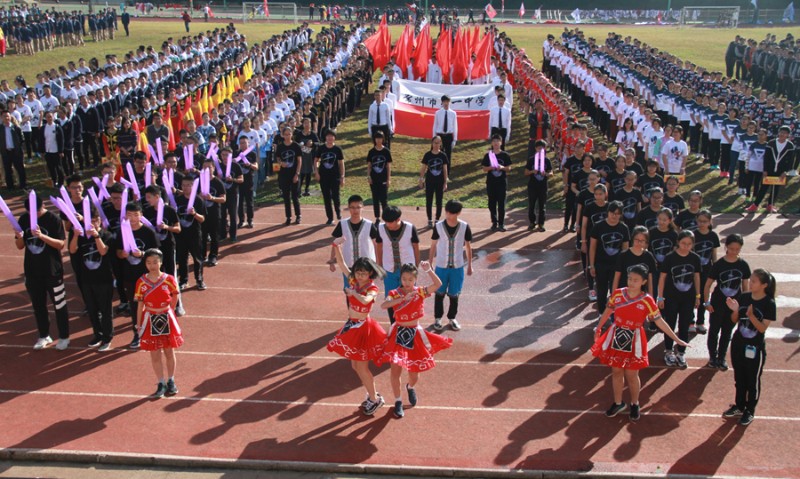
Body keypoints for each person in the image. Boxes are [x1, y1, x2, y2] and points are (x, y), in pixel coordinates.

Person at [592, 265, 688, 421]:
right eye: (630, 278)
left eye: (635, 280)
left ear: (643, 281)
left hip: (635, 337)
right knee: (616, 371)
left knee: (631, 373)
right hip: (617, 334)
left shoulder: (647, 300)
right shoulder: (617, 294)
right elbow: (608, 311)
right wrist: (599, 327)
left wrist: (676, 339)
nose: (631, 282)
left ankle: (635, 403)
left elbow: (659, 321)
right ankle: (618, 402)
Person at [378, 262, 452, 418]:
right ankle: (398, 401)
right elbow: (384, 305)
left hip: (415, 334)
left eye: (410, 279)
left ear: (415, 280)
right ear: (401, 279)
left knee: (414, 373)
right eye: (404, 279)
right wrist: (403, 298)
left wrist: (429, 270)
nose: (407, 282)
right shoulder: (395, 292)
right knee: (395, 370)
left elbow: (438, 284)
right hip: (398, 334)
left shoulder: (420, 292)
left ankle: (410, 387)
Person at [327, 237, 387, 416]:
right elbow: (342, 264)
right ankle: (372, 395)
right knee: (355, 366)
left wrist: (353, 293)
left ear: (370, 274)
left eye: (363, 273)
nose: (360, 276)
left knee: (362, 367)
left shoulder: (372, 288)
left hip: (363, 329)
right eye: (358, 272)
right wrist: (336, 246)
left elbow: (367, 300)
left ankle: (375, 398)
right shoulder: (354, 282)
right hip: (352, 326)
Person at [723, 268, 776, 426]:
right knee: (739, 377)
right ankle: (739, 405)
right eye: (750, 280)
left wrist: (751, 316)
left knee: (752, 380)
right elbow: (735, 320)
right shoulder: (745, 297)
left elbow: (762, 328)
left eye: (754, 281)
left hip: (754, 347)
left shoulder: (769, 303)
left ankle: (750, 410)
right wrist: (735, 310)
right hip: (739, 343)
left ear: (764, 285)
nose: (750, 283)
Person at [16, 192, 69, 350]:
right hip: (32, 270)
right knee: (38, 305)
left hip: (52, 270)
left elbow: (60, 244)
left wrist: (41, 236)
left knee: (59, 304)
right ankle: (44, 335)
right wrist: (19, 237)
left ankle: (64, 336)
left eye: (37, 212)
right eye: (31, 213)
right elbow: (20, 246)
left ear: (43, 206)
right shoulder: (24, 219)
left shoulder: (53, 219)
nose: (34, 215)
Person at [134, 248, 183, 398]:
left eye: (155, 262)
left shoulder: (168, 279)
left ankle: (171, 380)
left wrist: (170, 312)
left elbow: (175, 296)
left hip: (165, 317)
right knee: (154, 354)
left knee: (169, 351)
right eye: (149, 262)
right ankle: (160, 382)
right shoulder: (141, 282)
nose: (152, 265)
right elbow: (140, 305)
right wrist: (139, 324)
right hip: (150, 317)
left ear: (161, 262)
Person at [69, 205, 114, 351]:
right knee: (92, 309)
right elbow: (72, 249)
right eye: (91, 221)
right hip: (87, 279)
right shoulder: (82, 236)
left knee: (105, 310)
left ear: (100, 221)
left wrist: (96, 236)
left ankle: (107, 337)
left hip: (103, 279)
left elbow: (103, 251)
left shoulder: (107, 235)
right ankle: (98, 334)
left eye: (96, 220)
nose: (94, 223)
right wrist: (76, 235)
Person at [703, 233, 750, 371]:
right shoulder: (718, 264)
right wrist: (707, 302)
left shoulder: (743, 265)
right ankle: (712, 357)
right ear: (726, 247)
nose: (734, 251)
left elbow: (745, 287)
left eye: (737, 249)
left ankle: (721, 357)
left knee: (727, 332)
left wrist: (742, 306)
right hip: (717, 303)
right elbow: (707, 285)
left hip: (734, 305)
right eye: (731, 248)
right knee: (714, 331)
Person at [657, 230, 701, 369]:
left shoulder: (695, 258)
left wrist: (698, 296)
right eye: (683, 243)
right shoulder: (670, 257)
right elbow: (662, 277)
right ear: (678, 242)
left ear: (693, 244)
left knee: (684, 325)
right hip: (671, 297)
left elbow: (697, 277)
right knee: (670, 324)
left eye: (689, 244)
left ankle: (681, 352)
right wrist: (660, 297)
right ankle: (669, 351)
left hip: (688, 298)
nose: (685, 246)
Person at [429, 200, 473, 332]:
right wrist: (430, 262)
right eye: (447, 212)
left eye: (452, 213)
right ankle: (437, 318)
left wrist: (470, 265)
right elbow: (433, 245)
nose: (449, 215)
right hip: (441, 266)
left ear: (458, 213)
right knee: (439, 293)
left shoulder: (465, 226)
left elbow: (468, 247)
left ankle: (452, 318)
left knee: (454, 294)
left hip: (457, 266)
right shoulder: (438, 226)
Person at [376, 206, 420, 324]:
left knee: (409, 296)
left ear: (398, 219)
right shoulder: (380, 228)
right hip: (389, 268)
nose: (388, 225)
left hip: (407, 269)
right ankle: (394, 324)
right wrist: (379, 264)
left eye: (390, 222)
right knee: (391, 298)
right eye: (386, 222)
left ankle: (408, 323)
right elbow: (379, 246)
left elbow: (416, 246)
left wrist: (417, 265)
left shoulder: (410, 228)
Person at [589, 201, 630, 315]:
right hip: (601, 264)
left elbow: (625, 249)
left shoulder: (623, 228)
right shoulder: (598, 226)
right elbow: (592, 247)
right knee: (601, 291)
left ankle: (615, 314)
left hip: (616, 266)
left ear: (621, 214)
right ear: (608, 212)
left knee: (616, 291)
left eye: (617, 213)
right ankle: (601, 314)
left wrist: (624, 267)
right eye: (612, 212)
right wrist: (591, 265)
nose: (614, 216)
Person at [175, 175, 207, 291]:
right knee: (182, 258)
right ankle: (183, 280)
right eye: (183, 185)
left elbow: (202, 219)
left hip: (194, 233)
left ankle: (199, 279)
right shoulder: (178, 200)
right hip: (181, 234)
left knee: (197, 258)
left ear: (193, 186)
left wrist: (194, 214)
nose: (185, 187)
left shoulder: (198, 200)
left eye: (188, 185)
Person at [481, 134, 512, 232]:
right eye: (494, 141)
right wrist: (491, 167)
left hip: (501, 182)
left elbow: (509, 168)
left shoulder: (505, 155)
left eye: (497, 141)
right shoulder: (488, 155)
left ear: (501, 143)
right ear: (491, 143)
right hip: (491, 182)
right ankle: (494, 222)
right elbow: (484, 169)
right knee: (491, 203)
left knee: (501, 203)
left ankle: (501, 223)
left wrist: (502, 167)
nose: (496, 143)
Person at [315, 129, 345, 225]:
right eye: (328, 136)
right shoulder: (321, 148)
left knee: (336, 196)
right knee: (326, 197)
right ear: (325, 137)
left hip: (335, 176)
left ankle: (338, 211)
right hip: (323, 176)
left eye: (331, 136)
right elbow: (315, 160)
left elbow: (341, 164)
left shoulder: (337, 149)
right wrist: (316, 172)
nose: (329, 138)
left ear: (334, 138)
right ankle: (330, 217)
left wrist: (342, 176)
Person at [275, 126, 303, 225]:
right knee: (286, 197)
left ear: (292, 134)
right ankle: (288, 217)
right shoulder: (280, 146)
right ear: (283, 135)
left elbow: (299, 160)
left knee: (295, 196)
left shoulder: (296, 146)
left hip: (294, 174)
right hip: (283, 174)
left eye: (289, 134)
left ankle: (298, 215)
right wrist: (280, 162)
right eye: (285, 134)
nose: (287, 136)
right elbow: (277, 158)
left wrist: (297, 174)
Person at [419, 136, 449, 228]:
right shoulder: (428, 155)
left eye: (438, 143)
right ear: (432, 143)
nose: (436, 145)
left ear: (441, 144)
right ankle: (429, 220)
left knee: (439, 201)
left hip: (439, 181)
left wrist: (445, 182)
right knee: (429, 200)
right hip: (430, 181)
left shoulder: (443, 155)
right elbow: (423, 168)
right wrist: (421, 179)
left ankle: (437, 219)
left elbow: (445, 169)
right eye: (435, 143)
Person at [525, 140, 553, 232]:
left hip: (543, 186)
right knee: (532, 205)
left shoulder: (547, 160)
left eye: (542, 148)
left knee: (542, 205)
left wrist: (546, 174)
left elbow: (551, 172)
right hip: (532, 185)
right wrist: (532, 171)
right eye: (538, 148)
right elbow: (526, 172)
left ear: (544, 149)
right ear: (535, 148)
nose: (540, 149)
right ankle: (532, 223)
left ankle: (541, 224)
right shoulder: (531, 159)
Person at [366, 131, 391, 223]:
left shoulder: (386, 151)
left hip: (383, 178)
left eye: (380, 138)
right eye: (377, 138)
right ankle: (377, 217)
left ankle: (386, 217)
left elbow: (388, 166)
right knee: (375, 198)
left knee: (384, 199)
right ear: (374, 140)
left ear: (383, 139)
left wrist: (388, 179)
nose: (378, 140)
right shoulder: (371, 152)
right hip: (374, 178)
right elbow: (369, 166)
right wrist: (368, 176)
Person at [0, 110, 27, 189]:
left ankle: (23, 185)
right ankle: (10, 186)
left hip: (16, 152)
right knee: (7, 170)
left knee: (20, 168)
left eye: (8, 116)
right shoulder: (0, 129)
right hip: (5, 152)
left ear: (10, 117)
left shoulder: (16, 128)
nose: (6, 118)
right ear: (2, 117)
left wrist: (19, 148)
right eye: (4, 116)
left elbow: (22, 139)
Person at [432, 95, 457, 171]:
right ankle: (439, 171)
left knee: (448, 155)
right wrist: (434, 138)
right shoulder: (438, 113)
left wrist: (455, 139)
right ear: (442, 103)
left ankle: (447, 173)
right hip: (440, 136)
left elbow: (455, 126)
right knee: (439, 154)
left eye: (447, 102)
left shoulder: (453, 113)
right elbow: (435, 125)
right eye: (444, 102)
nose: (446, 103)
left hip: (449, 136)